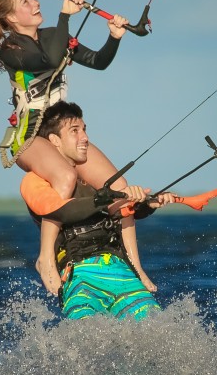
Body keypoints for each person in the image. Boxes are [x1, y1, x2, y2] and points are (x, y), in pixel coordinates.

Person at [0, 0, 157, 289]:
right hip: (30, 137)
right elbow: (48, 60)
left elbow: (98, 62)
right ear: (11, 18)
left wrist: (114, 37)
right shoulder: (11, 50)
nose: (35, 3)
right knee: (66, 178)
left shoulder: (54, 35)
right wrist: (66, 16)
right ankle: (45, 257)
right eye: (25, 2)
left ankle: (134, 265)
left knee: (120, 188)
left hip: (61, 132)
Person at [20, 101, 175, 321]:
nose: (85, 138)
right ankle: (45, 260)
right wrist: (105, 199)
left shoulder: (96, 186)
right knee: (84, 339)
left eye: (84, 130)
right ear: (54, 141)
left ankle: (137, 269)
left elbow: (119, 212)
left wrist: (146, 204)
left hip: (119, 271)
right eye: (75, 131)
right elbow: (60, 211)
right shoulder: (35, 183)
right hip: (81, 277)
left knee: (158, 329)